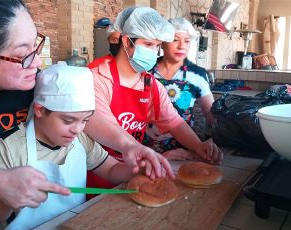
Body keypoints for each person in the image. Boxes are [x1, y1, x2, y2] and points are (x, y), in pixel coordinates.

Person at [0, 1, 170, 228]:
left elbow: (75, 112)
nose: (36, 62)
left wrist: (129, 145)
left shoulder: (21, 78)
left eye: (36, 45)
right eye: (23, 54)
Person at [0, 64, 136, 229]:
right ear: (39, 110)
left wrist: (140, 169)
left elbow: (111, 169)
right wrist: (8, 197)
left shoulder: (80, 139)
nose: (77, 129)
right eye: (68, 120)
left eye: (85, 120)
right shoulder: (9, 147)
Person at [84, 7, 223, 189]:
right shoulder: (96, 78)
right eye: (148, 44)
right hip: (96, 174)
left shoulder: (151, 85)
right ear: (126, 42)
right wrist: (133, 147)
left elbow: (173, 121)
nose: (154, 52)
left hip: (133, 171)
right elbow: (100, 123)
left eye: (157, 46)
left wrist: (198, 146)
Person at [143, 17, 220, 157]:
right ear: (162, 42)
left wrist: (212, 142)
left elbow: (212, 117)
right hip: (143, 148)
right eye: (175, 39)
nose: (182, 46)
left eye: (187, 41)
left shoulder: (197, 75)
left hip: (182, 150)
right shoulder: (145, 70)